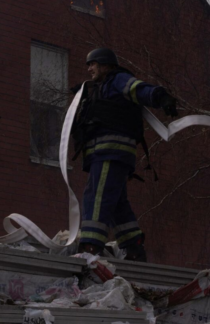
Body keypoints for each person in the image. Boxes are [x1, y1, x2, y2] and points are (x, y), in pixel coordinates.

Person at [71, 47, 178, 261]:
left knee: (97, 195)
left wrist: (160, 96)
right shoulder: (100, 88)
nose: (89, 68)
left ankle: (91, 246)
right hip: (106, 153)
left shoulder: (118, 80)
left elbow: (138, 89)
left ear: (105, 65)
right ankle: (134, 246)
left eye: (92, 64)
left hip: (110, 151)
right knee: (117, 203)